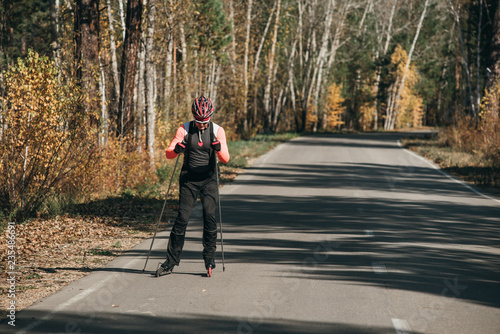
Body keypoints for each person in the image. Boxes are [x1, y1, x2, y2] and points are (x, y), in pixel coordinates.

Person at [156, 96, 230, 277]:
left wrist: (219, 148)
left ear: (210, 117)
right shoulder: (184, 129)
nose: (202, 125)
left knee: (209, 216)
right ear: (193, 117)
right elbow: (168, 154)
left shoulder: (217, 130)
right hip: (188, 180)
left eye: (205, 122)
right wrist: (176, 150)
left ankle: (209, 258)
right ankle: (170, 262)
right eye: (198, 121)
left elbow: (226, 158)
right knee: (182, 218)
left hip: (209, 179)